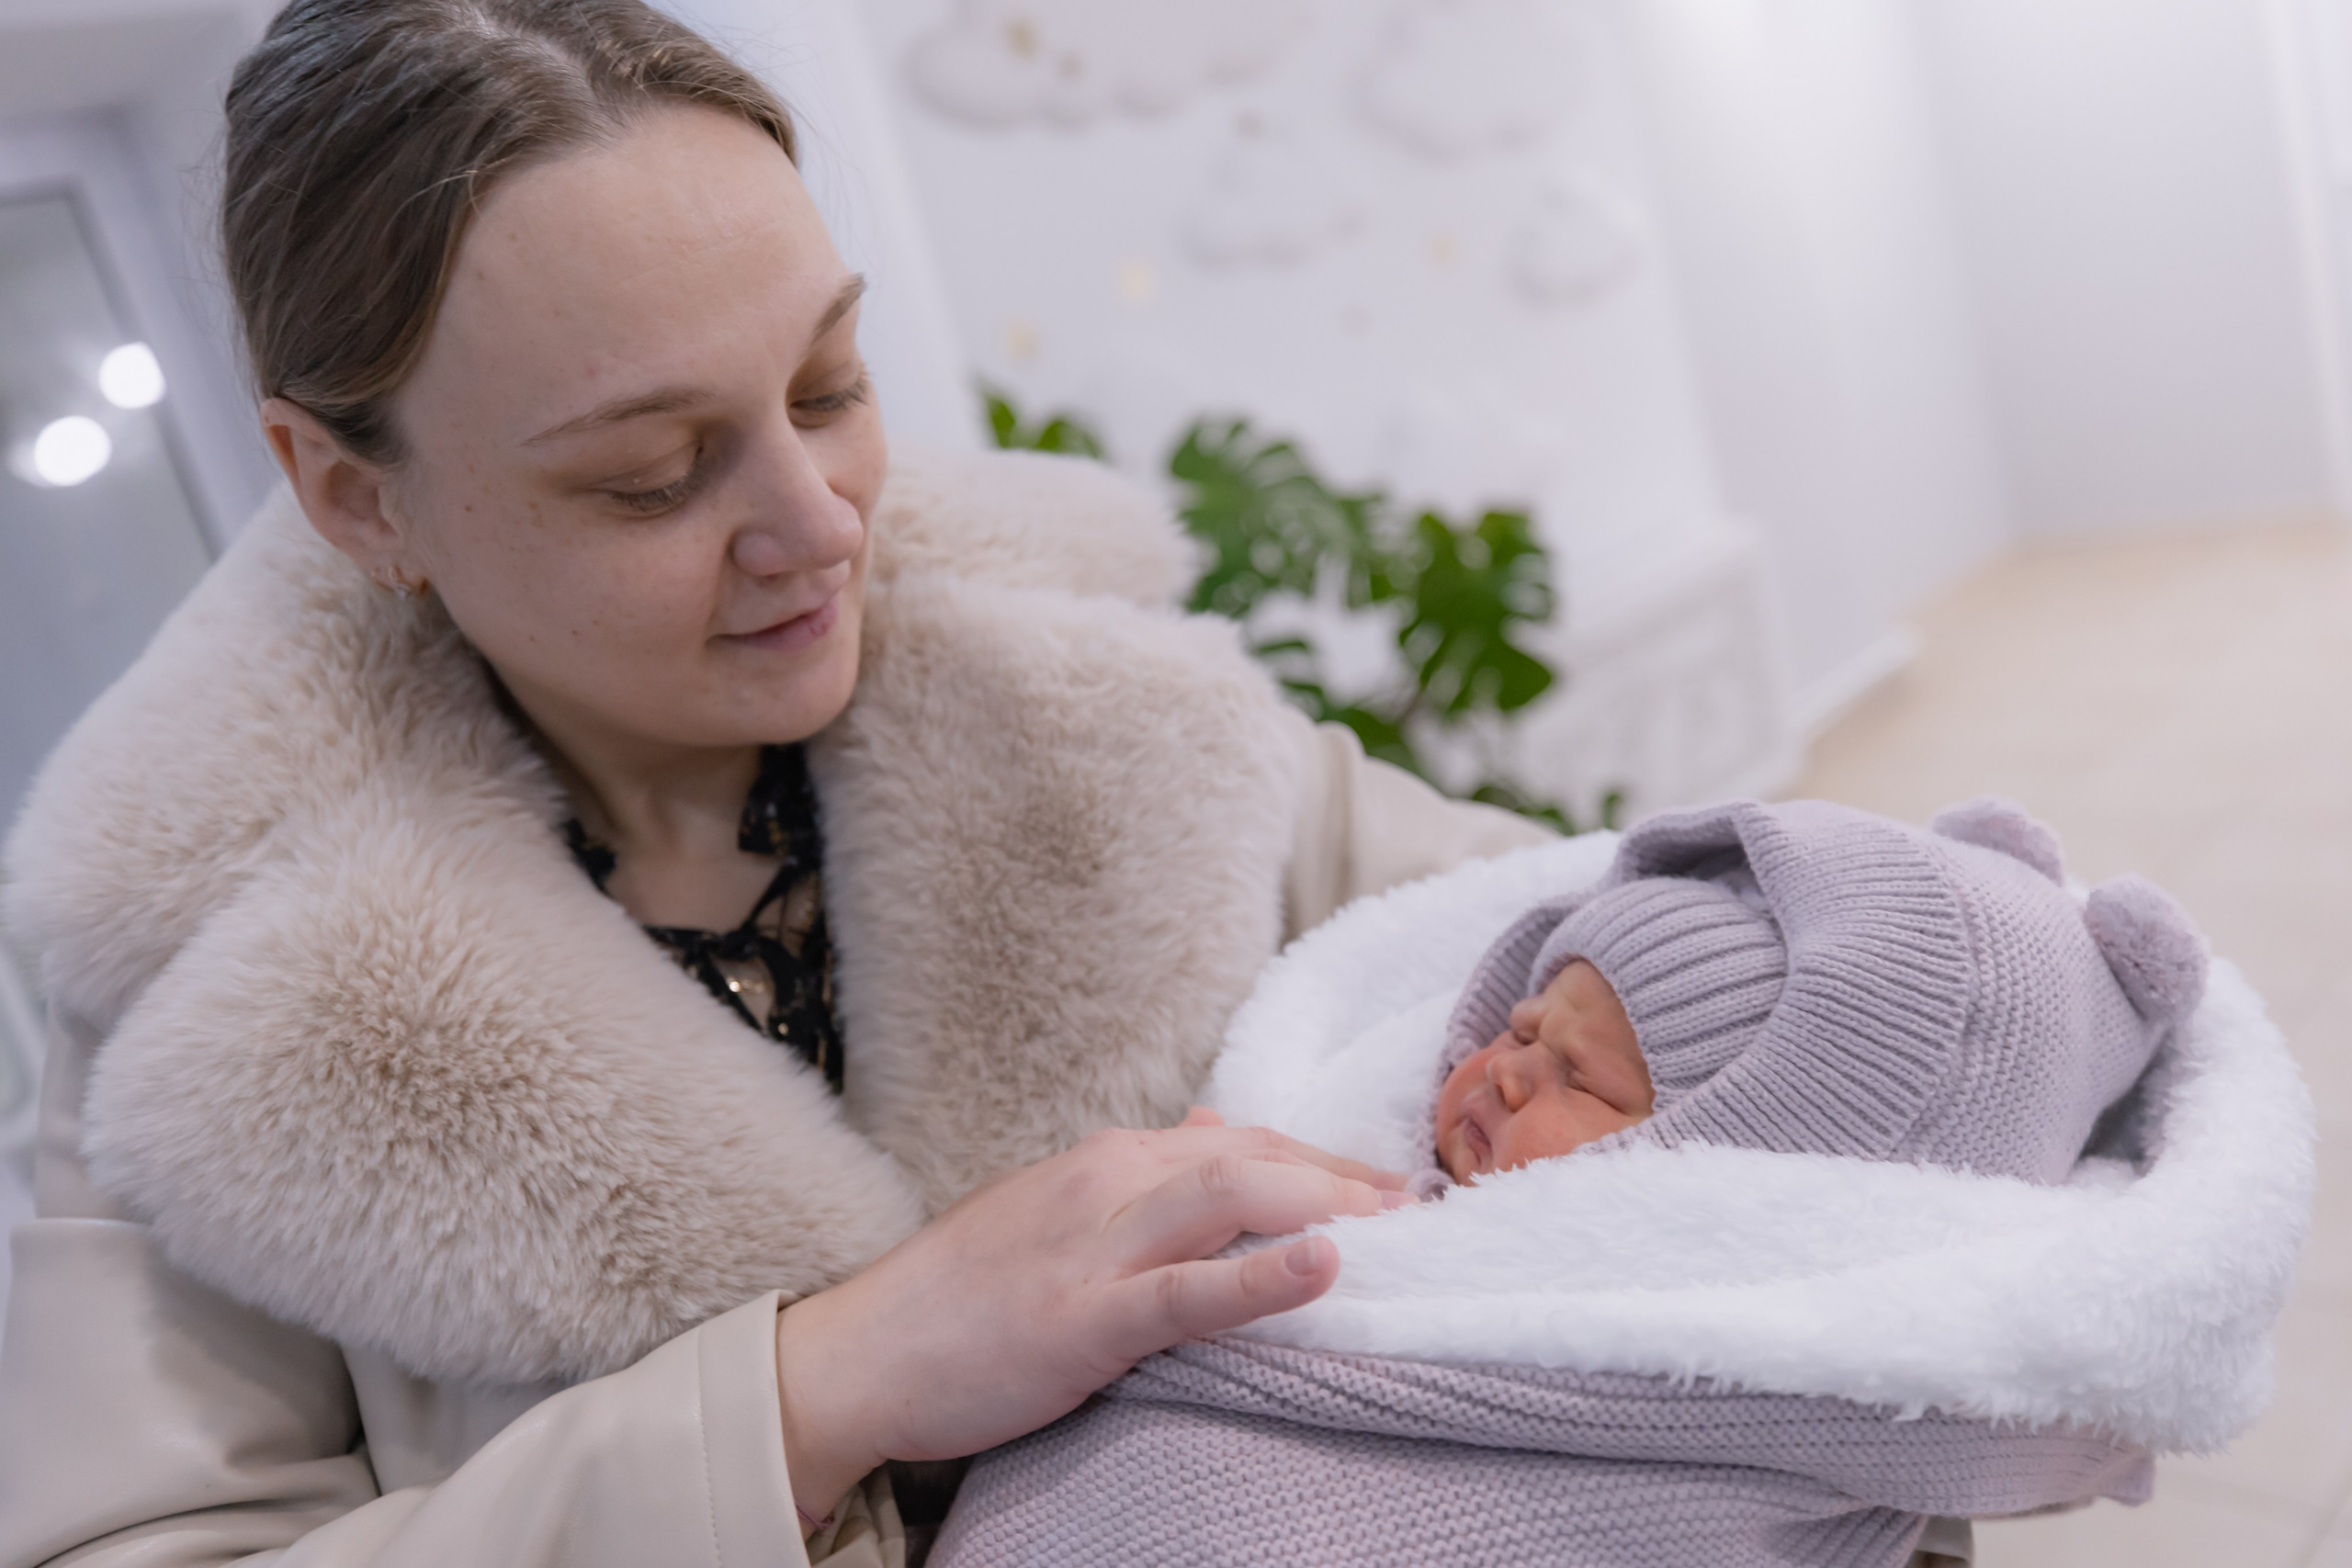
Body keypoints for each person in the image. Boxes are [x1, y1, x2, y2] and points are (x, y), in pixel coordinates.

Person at [0, 4, 1549, 1565]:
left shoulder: (1106, 698)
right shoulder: (184, 1001)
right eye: (651, 474)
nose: (819, 527)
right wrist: (823, 1389)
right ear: (353, 497)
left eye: (827, 386)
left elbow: (1685, 950)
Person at [926, 796, 2211, 1568]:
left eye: (1581, 1082)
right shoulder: (1383, 1166)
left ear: (1725, 1181)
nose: (1504, 1072)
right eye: (1523, 1027)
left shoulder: (1755, 1354)